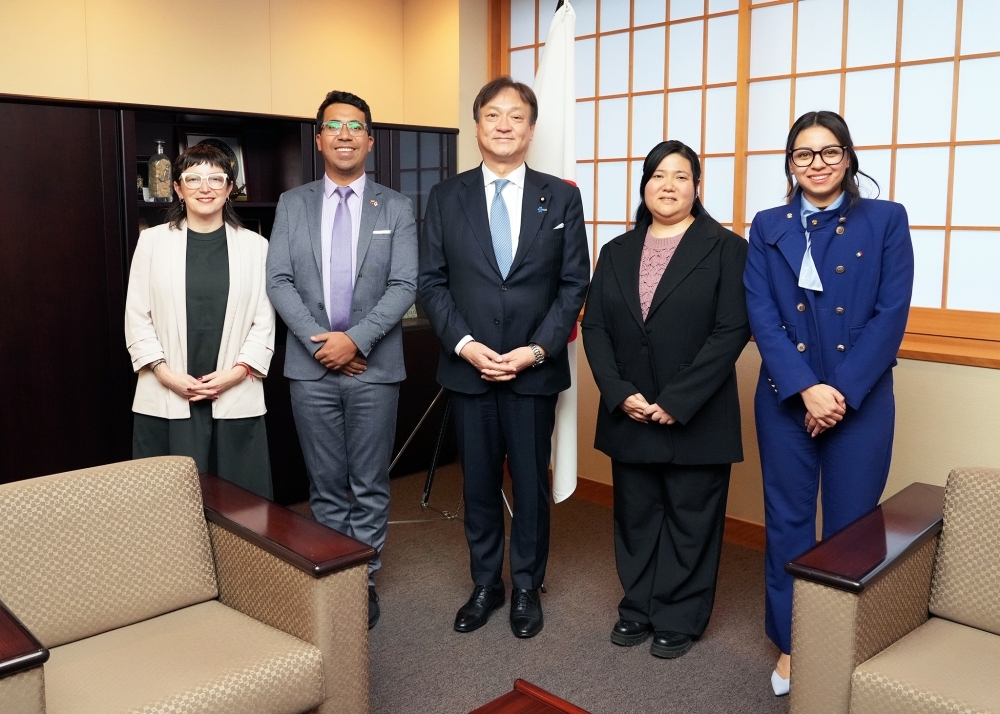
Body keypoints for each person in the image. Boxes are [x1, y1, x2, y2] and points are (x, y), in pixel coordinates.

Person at [744, 111, 913, 695]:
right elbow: (761, 315)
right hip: (787, 398)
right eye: (803, 154)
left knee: (851, 528)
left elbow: (891, 314)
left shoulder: (886, 219)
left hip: (859, 400)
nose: (817, 164)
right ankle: (793, 643)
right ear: (790, 164)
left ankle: (841, 642)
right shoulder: (767, 225)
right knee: (788, 524)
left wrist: (837, 392)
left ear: (848, 157)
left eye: (829, 151)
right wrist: (805, 388)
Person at [418, 76, 590, 638]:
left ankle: (526, 587)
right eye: (493, 115)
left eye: (516, 116)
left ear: (532, 129)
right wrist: (468, 347)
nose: (504, 125)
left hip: (531, 371)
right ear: (477, 126)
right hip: (470, 371)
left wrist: (534, 350)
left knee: (531, 488)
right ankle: (486, 584)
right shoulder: (447, 196)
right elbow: (431, 284)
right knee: (477, 485)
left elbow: (573, 285)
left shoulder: (560, 195)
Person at [581, 140, 750, 659]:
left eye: (681, 176)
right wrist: (618, 392)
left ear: (697, 187)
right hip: (630, 410)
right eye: (658, 175)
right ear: (644, 186)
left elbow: (732, 329)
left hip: (696, 412)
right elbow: (596, 328)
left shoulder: (725, 248)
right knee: (635, 515)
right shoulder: (615, 251)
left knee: (691, 517)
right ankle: (637, 606)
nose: (668, 185)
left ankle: (679, 615)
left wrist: (678, 399)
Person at [266, 90, 418, 630]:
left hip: (375, 367)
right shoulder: (293, 203)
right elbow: (278, 281)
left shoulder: (395, 207)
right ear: (319, 138)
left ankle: (365, 579)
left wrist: (354, 341)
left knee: (371, 483)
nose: (346, 135)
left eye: (356, 126)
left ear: (370, 140)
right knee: (326, 483)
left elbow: (403, 285)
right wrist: (319, 342)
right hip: (310, 369)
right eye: (335, 126)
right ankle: (335, 573)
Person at [126, 143, 276, 498]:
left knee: (242, 505)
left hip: (234, 388)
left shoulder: (257, 247)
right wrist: (166, 374)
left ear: (229, 188)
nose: (204, 188)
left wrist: (236, 373)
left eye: (215, 178)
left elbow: (263, 322)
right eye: (192, 178)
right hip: (168, 390)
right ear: (178, 188)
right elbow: (137, 316)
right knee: (167, 503)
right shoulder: (151, 242)